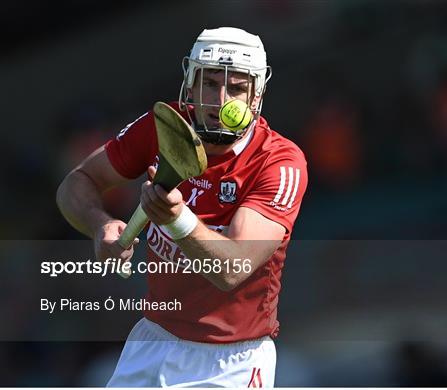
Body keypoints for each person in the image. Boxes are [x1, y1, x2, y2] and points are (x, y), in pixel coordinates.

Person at [56, 27, 308, 387]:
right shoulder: (164, 127)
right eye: (209, 84)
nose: (221, 100)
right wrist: (100, 224)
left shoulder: (280, 162)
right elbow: (76, 183)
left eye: (236, 88)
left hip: (230, 361)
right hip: (152, 339)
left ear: (256, 96)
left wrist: (176, 220)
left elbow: (232, 270)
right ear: (189, 85)